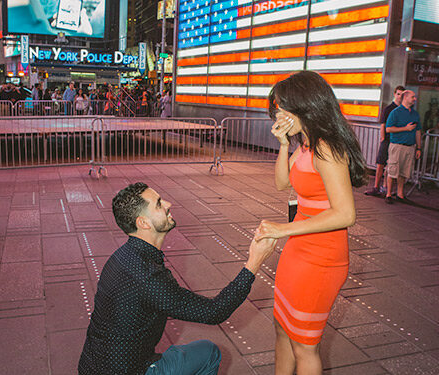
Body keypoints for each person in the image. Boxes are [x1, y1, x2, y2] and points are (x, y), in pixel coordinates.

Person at [78, 182, 278, 375]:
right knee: (209, 353)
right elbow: (214, 312)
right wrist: (254, 261)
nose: (168, 204)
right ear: (143, 222)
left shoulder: (123, 256)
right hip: (129, 371)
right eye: (158, 203)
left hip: (92, 366)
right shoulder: (148, 277)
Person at [254, 71, 367, 375]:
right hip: (298, 250)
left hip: (322, 258)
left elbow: (345, 214)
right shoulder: (306, 144)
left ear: (306, 106)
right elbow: (281, 184)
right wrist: (282, 145)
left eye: (283, 107)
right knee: (281, 327)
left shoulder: (327, 148)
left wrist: (282, 229)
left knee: (305, 344)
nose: (279, 114)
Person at [365, 85, 405, 196]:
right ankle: (376, 187)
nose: (400, 97)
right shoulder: (388, 109)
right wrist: (383, 139)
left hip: (396, 141)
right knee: (380, 164)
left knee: (391, 166)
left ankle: (385, 187)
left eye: (402, 95)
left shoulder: (403, 110)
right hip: (387, 140)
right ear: (394, 94)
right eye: (398, 94)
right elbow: (383, 124)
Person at [385, 90, 422, 204]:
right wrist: (405, 128)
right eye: (412, 97)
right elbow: (388, 129)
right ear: (405, 97)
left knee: (403, 172)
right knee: (393, 170)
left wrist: (419, 148)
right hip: (397, 146)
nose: (414, 99)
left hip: (410, 147)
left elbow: (418, 131)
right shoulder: (395, 112)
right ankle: (389, 194)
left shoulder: (415, 114)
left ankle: (400, 194)